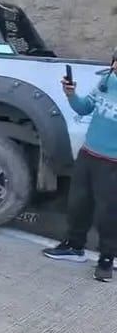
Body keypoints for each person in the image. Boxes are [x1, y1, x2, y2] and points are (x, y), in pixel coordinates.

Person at [42, 52, 117, 282]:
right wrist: (71, 94)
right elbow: (84, 108)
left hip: (112, 163)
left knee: (108, 213)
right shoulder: (107, 82)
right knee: (77, 203)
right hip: (88, 153)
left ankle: (107, 258)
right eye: (115, 60)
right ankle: (74, 246)